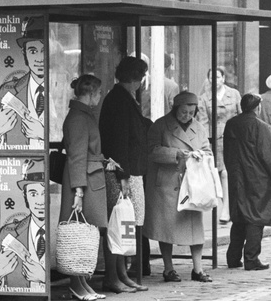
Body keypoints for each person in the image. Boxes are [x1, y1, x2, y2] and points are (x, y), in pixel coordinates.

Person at [143, 91, 213, 283]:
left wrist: (201, 155)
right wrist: (175, 154)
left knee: (195, 229)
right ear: (175, 109)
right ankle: (168, 268)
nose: (187, 116)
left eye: (191, 112)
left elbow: (208, 150)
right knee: (166, 228)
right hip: (167, 184)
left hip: (192, 185)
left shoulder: (199, 128)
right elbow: (150, 151)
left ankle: (198, 269)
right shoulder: (160, 125)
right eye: (183, 112)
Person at [57, 75, 115, 301]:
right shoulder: (79, 118)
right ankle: (76, 283)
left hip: (88, 179)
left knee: (86, 231)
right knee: (80, 230)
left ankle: (81, 281)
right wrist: (79, 191)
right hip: (83, 181)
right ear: (90, 94)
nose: (100, 97)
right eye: (98, 93)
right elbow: (78, 156)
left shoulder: (82, 115)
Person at [100, 56, 153, 279]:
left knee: (127, 224)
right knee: (124, 222)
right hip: (124, 173)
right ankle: (118, 275)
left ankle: (123, 273)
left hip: (128, 171)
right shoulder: (121, 100)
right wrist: (123, 176)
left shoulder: (122, 98)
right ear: (137, 78)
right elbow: (120, 141)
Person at [223, 94, 271, 271]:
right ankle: (251, 257)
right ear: (258, 108)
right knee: (256, 217)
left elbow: (226, 152)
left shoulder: (231, 123)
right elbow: (268, 156)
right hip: (257, 178)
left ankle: (233, 257)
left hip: (237, 176)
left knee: (239, 216)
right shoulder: (260, 126)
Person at [0, 160, 48, 292]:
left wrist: (44, 277)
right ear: (25, 197)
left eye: (44, 193)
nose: (40, 201)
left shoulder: (55, 230)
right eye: (33, 194)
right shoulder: (9, 232)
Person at [0, 18, 46, 149]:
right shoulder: (8, 90)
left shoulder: (59, 90)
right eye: (33, 51)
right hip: (20, 167)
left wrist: (43, 133)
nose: (39, 58)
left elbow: (70, 133)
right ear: (24, 53)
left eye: (44, 51)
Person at [196, 67, 241, 221]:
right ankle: (226, 209)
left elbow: (241, 116)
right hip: (216, 140)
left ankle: (231, 208)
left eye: (218, 77)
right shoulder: (204, 98)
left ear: (223, 78)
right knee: (222, 173)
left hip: (235, 138)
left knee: (232, 173)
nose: (215, 80)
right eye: (211, 77)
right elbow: (203, 122)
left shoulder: (234, 94)